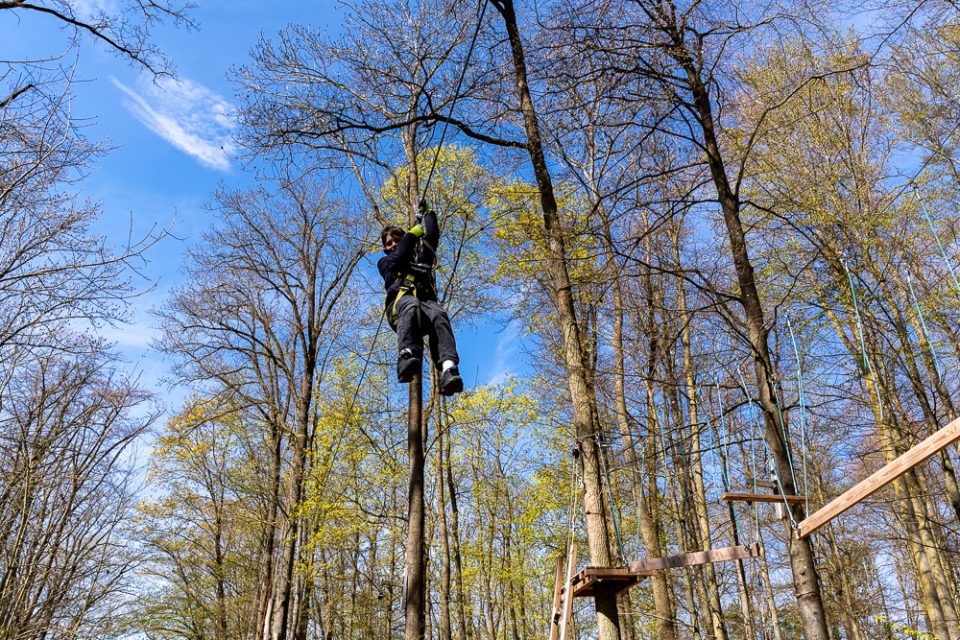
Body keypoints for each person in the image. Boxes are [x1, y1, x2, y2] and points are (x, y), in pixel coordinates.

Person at [378, 200, 463, 396]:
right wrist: (412, 234)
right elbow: (398, 258)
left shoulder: (422, 257)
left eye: (396, 241)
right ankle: (407, 355)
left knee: (439, 314)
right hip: (401, 307)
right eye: (388, 243)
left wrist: (428, 213)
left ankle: (448, 369)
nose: (392, 246)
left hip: (426, 308)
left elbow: (432, 234)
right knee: (411, 304)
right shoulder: (385, 262)